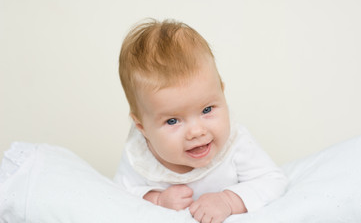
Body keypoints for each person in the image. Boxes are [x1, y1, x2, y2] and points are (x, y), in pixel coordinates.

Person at [114, 19, 288, 223]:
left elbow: (273, 181)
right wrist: (157, 199)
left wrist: (228, 201)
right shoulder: (139, 155)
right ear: (142, 128)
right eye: (172, 121)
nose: (196, 131)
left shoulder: (236, 143)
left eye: (207, 109)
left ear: (222, 93)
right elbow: (120, 193)